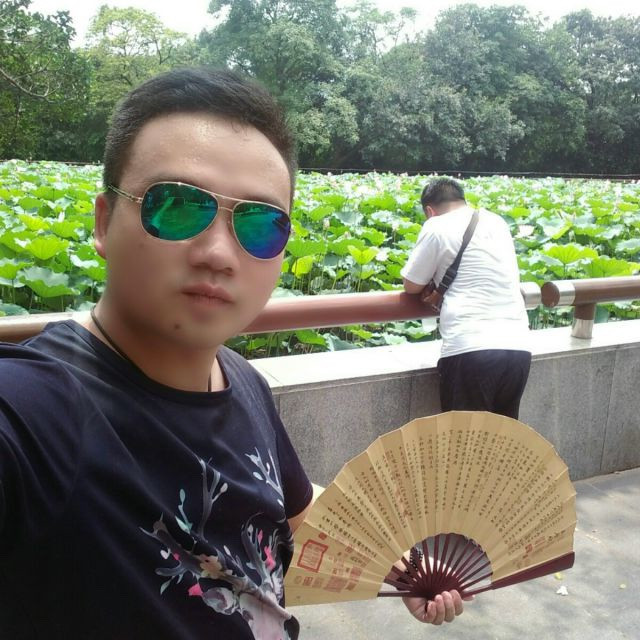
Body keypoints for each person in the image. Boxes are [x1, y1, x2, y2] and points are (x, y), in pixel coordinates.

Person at [0, 68, 466, 638]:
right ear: (103, 221)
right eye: (176, 205)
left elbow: (294, 511)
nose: (219, 253)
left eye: (261, 223)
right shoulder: (33, 412)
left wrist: (399, 564)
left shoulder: (242, 379)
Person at [402, 177, 531, 419]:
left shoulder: (436, 225)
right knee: (501, 437)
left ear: (429, 210)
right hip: (518, 347)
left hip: (471, 347)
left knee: (464, 440)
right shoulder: (496, 221)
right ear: (462, 200)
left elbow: (411, 284)